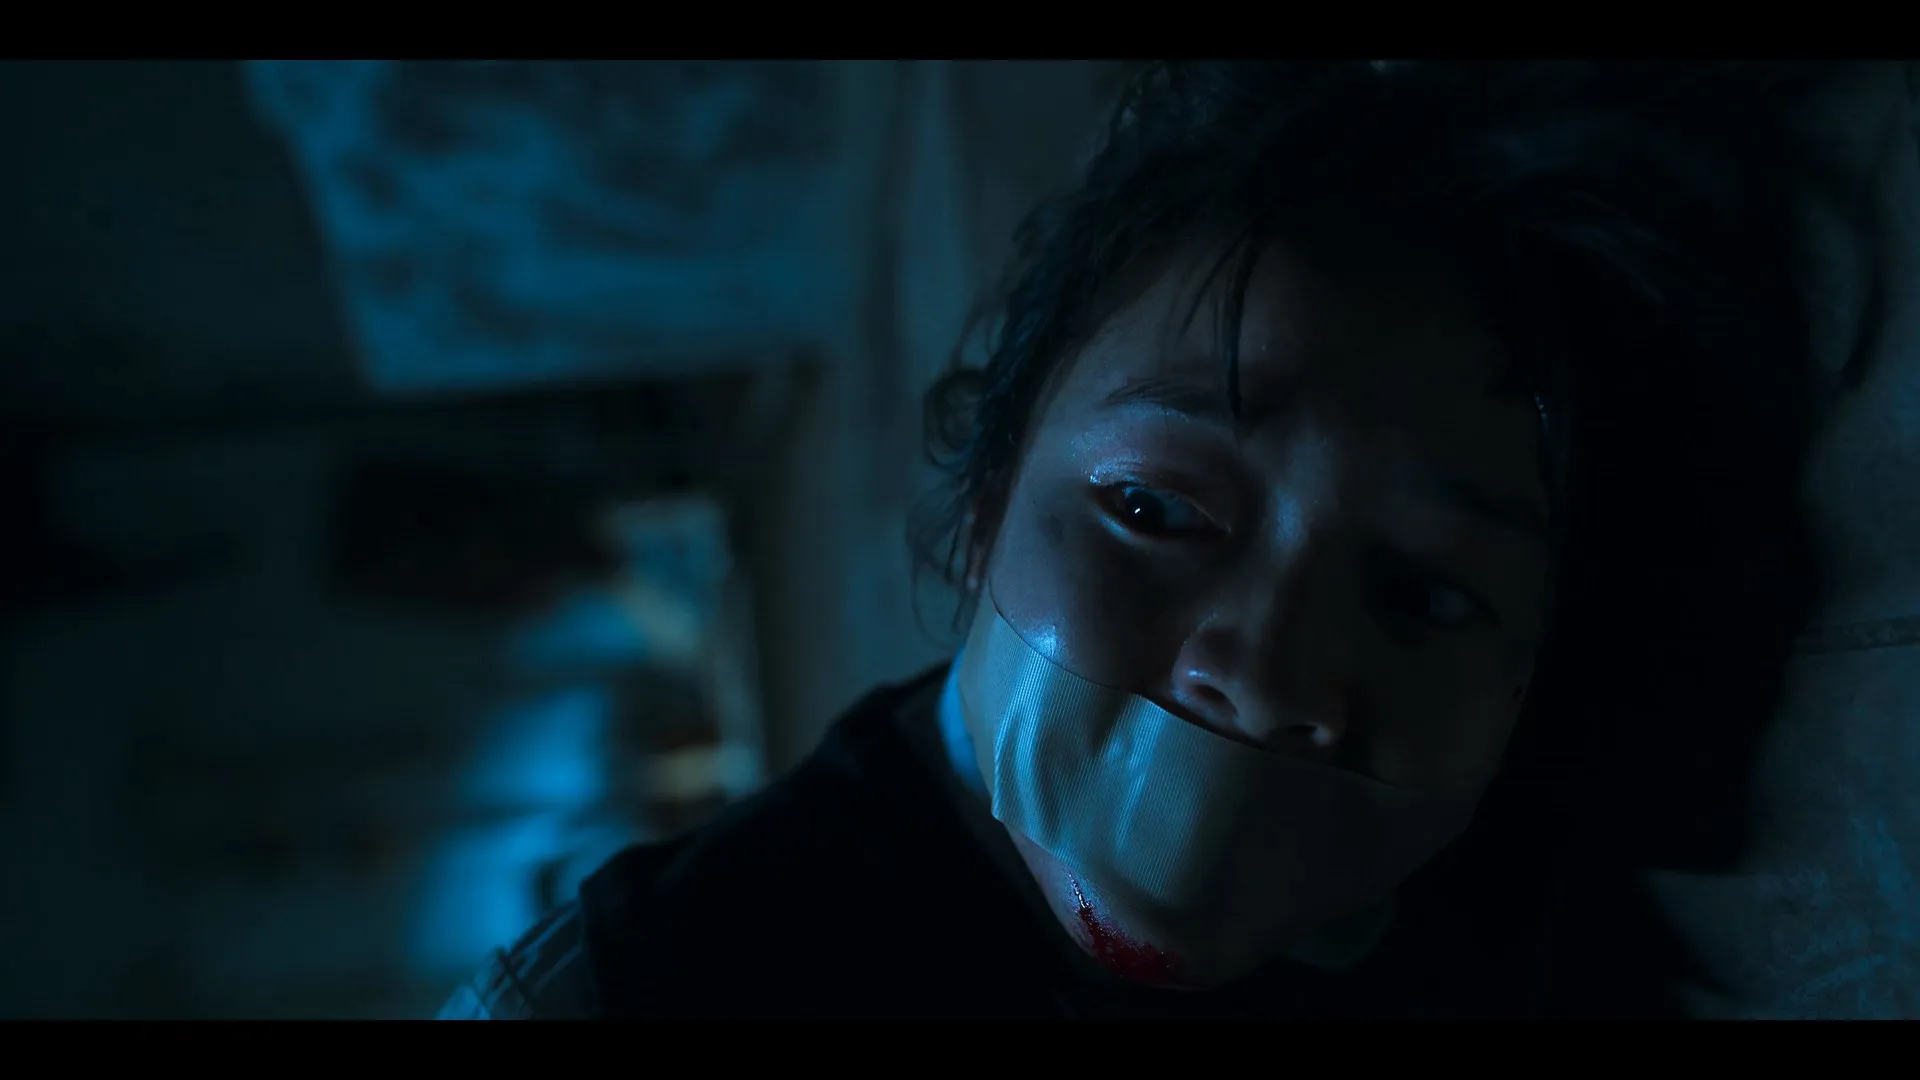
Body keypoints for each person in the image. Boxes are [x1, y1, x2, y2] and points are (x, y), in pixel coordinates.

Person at [437, 61, 1837, 1019]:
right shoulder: (629, 991)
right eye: (1155, 512)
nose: (1267, 674)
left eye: (1421, 593)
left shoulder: (1554, 896)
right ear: (987, 500)